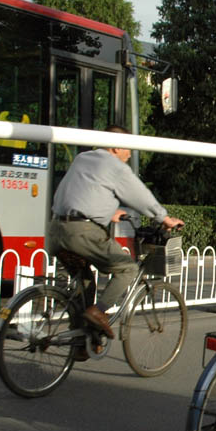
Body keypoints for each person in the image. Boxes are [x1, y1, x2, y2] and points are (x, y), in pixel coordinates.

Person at [47, 125, 183, 352]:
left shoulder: (83, 158)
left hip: (56, 231)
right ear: (116, 146)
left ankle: (81, 342)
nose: (129, 155)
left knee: (85, 283)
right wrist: (164, 219)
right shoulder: (115, 167)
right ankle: (98, 311)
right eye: (128, 149)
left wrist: (109, 213)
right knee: (127, 269)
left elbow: (79, 193)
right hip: (82, 233)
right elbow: (141, 196)